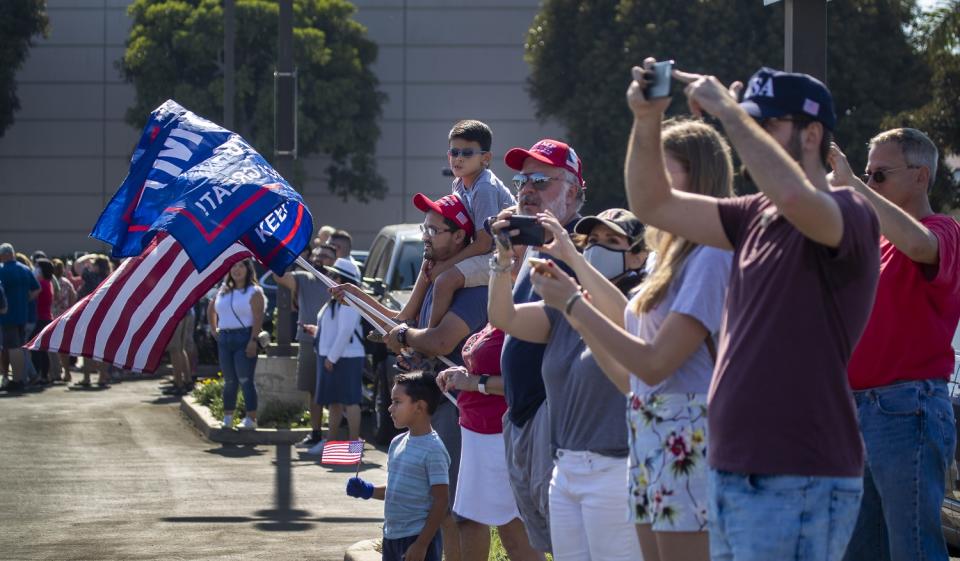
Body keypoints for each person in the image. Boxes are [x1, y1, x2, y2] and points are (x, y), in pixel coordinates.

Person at [625, 61, 881, 561]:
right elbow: (652, 204)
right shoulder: (753, 214)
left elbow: (792, 193)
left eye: (768, 124)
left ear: (812, 134)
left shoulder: (850, 211)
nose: (753, 133)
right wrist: (646, 118)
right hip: (735, 463)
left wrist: (727, 112)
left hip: (798, 468)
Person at [531, 121, 735, 561]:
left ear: (698, 178)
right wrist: (574, 289)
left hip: (689, 437)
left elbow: (656, 364)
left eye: (662, 170)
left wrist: (574, 307)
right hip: (650, 434)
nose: (647, 182)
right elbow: (633, 382)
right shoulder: (670, 257)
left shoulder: (710, 253)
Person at [333, 193, 489, 561]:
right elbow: (401, 321)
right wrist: (355, 296)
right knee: (439, 506)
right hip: (432, 406)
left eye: (435, 229)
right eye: (425, 228)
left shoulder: (473, 288)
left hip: (456, 408)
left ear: (459, 237)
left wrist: (406, 339)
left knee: (453, 510)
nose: (426, 236)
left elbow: (438, 340)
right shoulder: (435, 280)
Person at [828, 129, 960, 561]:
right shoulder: (877, 241)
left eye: (878, 175)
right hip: (859, 410)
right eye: (866, 174)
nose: (868, 184)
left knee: (914, 550)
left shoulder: (943, 229)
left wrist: (851, 187)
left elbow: (921, 246)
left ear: (921, 177)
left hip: (906, 408)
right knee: (857, 552)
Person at [489, 205, 643, 560]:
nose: (598, 247)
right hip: (565, 466)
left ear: (637, 257)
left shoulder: (641, 304)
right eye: (593, 240)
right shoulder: (564, 307)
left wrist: (572, 259)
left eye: (612, 241)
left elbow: (623, 318)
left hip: (616, 468)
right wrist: (500, 259)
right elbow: (503, 317)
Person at [489, 137, 587, 554]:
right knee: (548, 544)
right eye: (521, 180)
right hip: (524, 417)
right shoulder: (535, 247)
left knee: (569, 545)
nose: (527, 189)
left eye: (541, 179)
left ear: (574, 192)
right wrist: (504, 256)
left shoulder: (582, 246)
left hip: (556, 425)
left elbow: (508, 319)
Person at [436, 325, 545, 561]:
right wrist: (461, 374)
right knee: (470, 522)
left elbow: (528, 383)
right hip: (477, 435)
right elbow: (491, 364)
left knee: (514, 531)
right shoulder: (497, 314)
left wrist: (475, 382)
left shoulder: (523, 312)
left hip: (500, 437)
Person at [400, 120, 515, 329]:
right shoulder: (459, 183)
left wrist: (446, 265)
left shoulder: (484, 188)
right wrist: (441, 262)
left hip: (507, 256)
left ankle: (428, 338)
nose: (459, 158)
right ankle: (405, 316)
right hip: (490, 251)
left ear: (485, 159)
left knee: (444, 280)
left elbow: (483, 243)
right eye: (454, 152)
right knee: (431, 260)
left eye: (467, 153)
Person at [346, 372, 450, 561]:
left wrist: (421, 544)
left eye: (397, 402)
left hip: (418, 538)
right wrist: (368, 490)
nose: (389, 408)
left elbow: (441, 501)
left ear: (419, 407)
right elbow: (397, 489)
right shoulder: (396, 443)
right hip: (391, 537)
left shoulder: (434, 449)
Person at [275, 244, 337, 448]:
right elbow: (279, 276)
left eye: (326, 256)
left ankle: (338, 442)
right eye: (318, 254)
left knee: (342, 396)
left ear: (335, 261)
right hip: (309, 342)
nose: (320, 258)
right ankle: (316, 434)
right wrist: (275, 254)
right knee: (313, 390)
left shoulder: (340, 282)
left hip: (338, 345)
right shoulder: (303, 278)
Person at [301, 257, 365, 451]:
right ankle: (330, 444)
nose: (329, 277)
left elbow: (346, 331)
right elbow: (335, 328)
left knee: (350, 401)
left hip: (346, 357)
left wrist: (331, 358)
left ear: (342, 279)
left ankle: (354, 447)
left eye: (333, 274)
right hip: (334, 356)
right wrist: (317, 331)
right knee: (335, 402)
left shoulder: (349, 300)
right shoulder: (336, 299)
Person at [207, 259, 265, 430]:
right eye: (233, 266)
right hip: (225, 338)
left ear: (248, 269)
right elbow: (211, 308)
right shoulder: (223, 291)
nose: (236, 269)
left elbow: (258, 317)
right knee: (229, 381)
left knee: (245, 379)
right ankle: (228, 417)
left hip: (245, 336)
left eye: (241, 266)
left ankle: (251, 418)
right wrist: (213, 329)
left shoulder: (254, 291)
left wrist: (253, 341)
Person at [0, 243, 40, 392]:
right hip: (23, 315)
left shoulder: (2, 270)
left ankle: (17, 380)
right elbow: (37, 289)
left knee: (12, 348)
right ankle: (24, 377)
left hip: (7, 316)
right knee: (20, 347)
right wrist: (25, 299)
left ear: (4, 255)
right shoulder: (25, 269)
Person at [30, 259, 57, 384]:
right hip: (46, 318)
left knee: (36, 349)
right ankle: (44, 375)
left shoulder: (41, 283)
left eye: (37, 267)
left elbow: (32, 297)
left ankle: (40, 374)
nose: (35, 269)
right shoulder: (48, 282)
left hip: (41, 318)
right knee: (42, 349)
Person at [51, 258, 77, 383]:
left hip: (51, 318)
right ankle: (67, 372)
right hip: (64, 318)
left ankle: (56, 371)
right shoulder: (67, 283)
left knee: (52, 347)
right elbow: (73, 298)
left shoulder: (50, 282)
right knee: (63, 347)